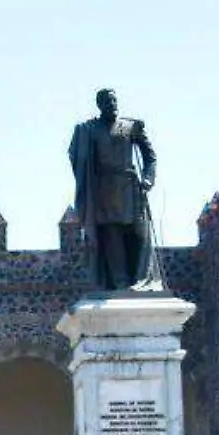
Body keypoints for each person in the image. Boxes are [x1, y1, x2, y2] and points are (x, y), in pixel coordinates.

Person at [68, 87, 164, 292]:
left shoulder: (131, 127)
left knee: (140, 234)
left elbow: (150, 156)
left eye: (114, 100)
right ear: (100, 105)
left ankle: (142, 279)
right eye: (107, 101)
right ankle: (119, 283)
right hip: (104, 190)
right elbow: (75, 155)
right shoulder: (90, 130)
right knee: (112, 236)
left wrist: (148, 179)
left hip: (131, 188)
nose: (112, 104)